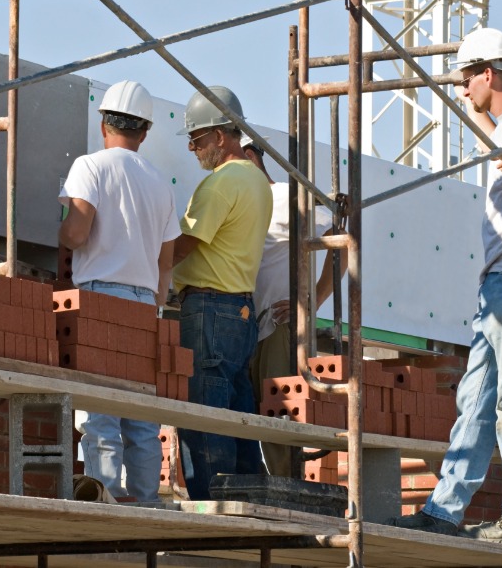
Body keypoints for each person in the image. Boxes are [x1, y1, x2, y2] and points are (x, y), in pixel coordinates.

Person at [385, 28, 502, 547]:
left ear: (489, 73)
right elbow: (489, 129)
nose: (465, 89)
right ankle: (444, 510)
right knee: (476, 398)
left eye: (469, 78)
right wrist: (477, 115)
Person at [59, 80, 181, 502]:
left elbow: (76, 233)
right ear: (144, 132)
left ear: (102, 123)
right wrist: (153, 305)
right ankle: (146, 504)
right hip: (145, 303)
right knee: (142, 416)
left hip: (99, 297)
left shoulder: (90, 166)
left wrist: (61, 227)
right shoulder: (162, 185)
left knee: (100, 411)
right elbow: (166, 264)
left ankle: (106, 501)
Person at [172, 86, 273, 500]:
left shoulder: (220, 183)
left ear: (219, 135)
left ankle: (213, 511)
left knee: (204, 417)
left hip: (211, 310)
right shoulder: (257, 181)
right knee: (238, 414)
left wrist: (146, 254)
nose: (194, 149)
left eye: (197, 139)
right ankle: (250, 501)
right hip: (241, 311)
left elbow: (185, 245)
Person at [242, 134, 347, 476]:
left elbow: (343, 241)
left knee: (279, 416)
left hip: (278, 326)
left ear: (248, 156)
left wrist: (312, 301)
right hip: (248, 327)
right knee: (255, 418)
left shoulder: (283, 198)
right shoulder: (246, 201)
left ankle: (289, 493)